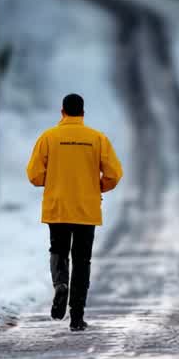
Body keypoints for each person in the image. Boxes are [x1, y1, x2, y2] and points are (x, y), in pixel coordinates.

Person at [25, 93, 124, 331]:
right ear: (83, 113)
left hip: (58, 207)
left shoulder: (48, 137)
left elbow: (34, 174)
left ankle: (60, 284)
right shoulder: (97, 138)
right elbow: (114, 174)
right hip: (85, 208)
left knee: (58, 250)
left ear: (62, 112)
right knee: (82, 260)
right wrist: (97, 186)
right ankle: (77, 317)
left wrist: (54, 180)